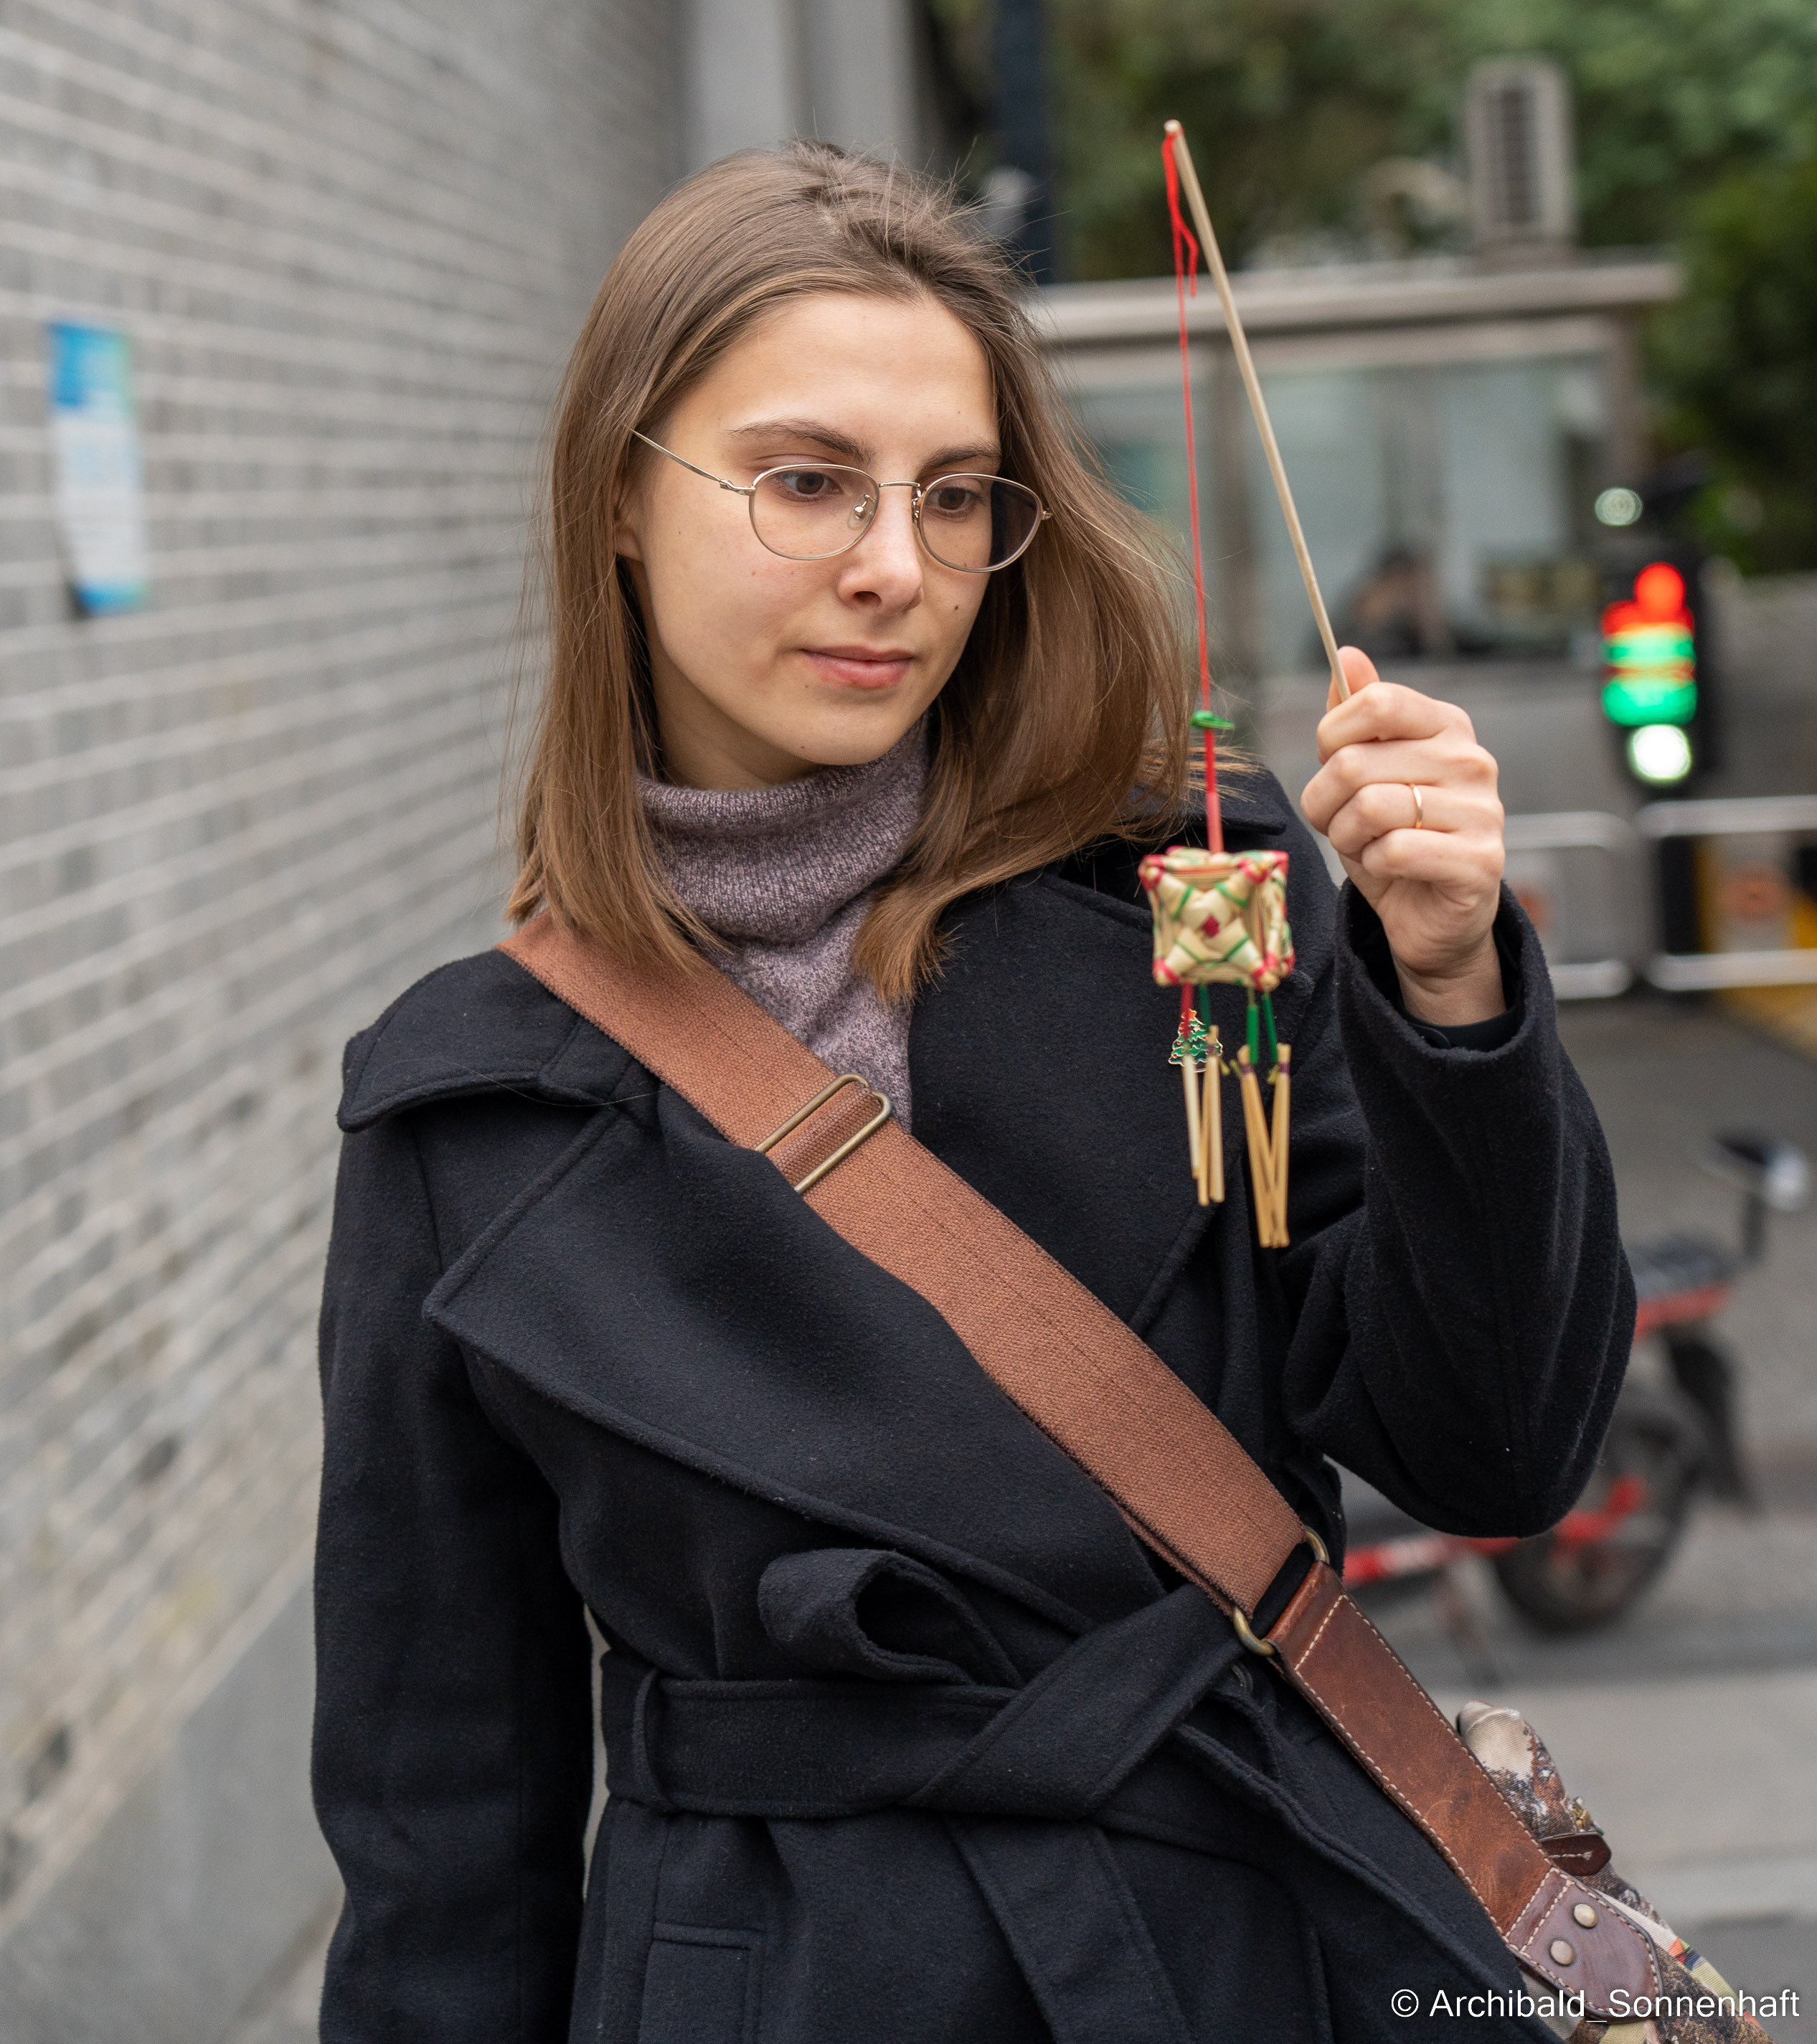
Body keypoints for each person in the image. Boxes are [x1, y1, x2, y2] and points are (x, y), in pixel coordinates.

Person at [313, 143, 1633, 2044]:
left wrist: (1453, 986)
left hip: (1233, 1950)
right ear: (621, 496)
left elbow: (1495, 1450)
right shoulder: (469, 1106)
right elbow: (442, 1830)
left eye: (956, 498)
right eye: (806, 482)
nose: (894, 568)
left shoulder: (1199, 906)